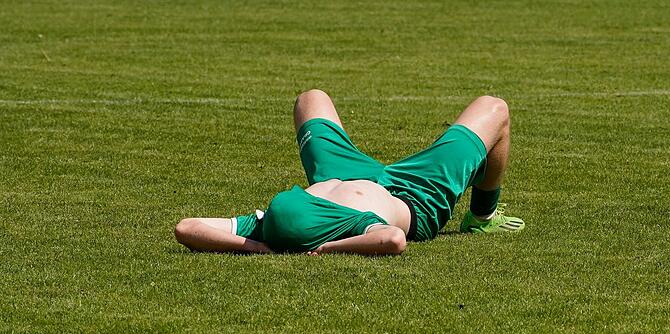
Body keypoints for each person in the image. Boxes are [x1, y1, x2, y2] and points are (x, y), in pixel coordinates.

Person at [174, 89, 524, 255]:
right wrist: (330, 249)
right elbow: (392, 240)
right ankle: (482, 216)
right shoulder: (347, 227)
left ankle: (482, 213)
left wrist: (253, 246)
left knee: (310, 98)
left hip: (341, 172)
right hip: (414, 196)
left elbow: (187, 228)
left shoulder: (267, 226)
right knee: (495, 109)